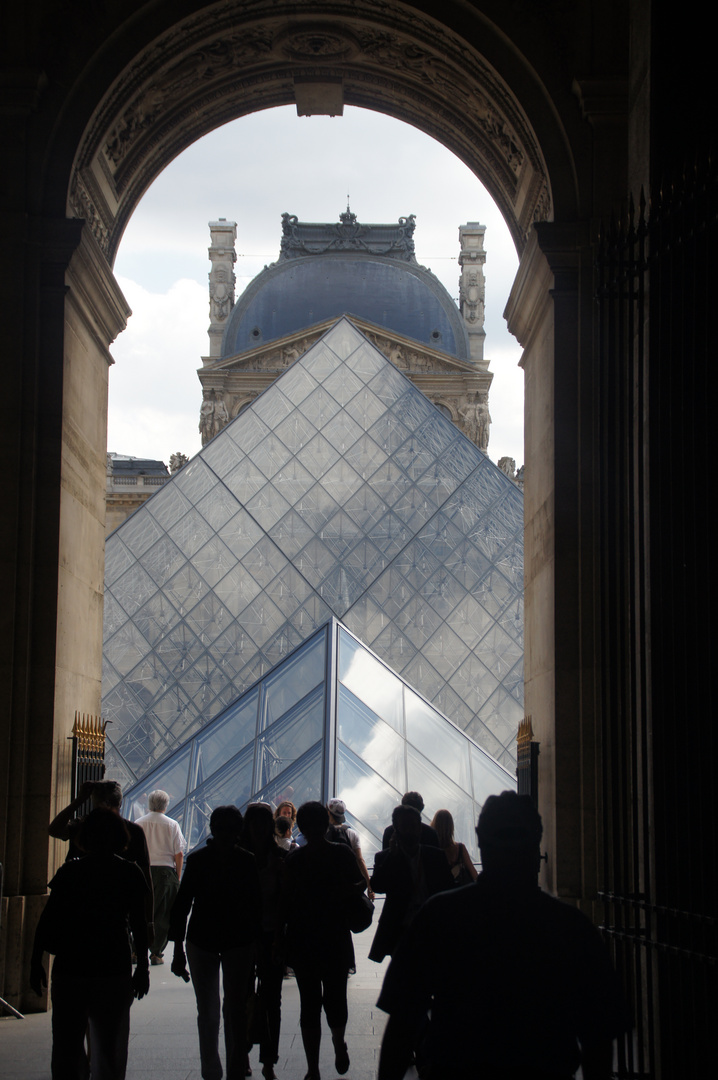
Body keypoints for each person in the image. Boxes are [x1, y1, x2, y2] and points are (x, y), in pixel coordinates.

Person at [377, 792, 628, 1080]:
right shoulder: (572, 927)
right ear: (536, 843)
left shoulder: (439, 917)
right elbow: (598, 1038)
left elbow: (402, 1024)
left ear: (480, 840)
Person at [30, 808, 150, 1080]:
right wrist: (142, 968)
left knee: (66, 1047)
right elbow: (139, 927)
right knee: (110, 1048)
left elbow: (47, 919)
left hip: (71, 965)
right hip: (113, 964)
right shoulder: (129, 873)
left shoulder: (70, 872)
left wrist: (35, 961)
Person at [170, 805, 262, 1080]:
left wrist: (177, 950)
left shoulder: (198, 860)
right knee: (234, 1006)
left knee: (207, 1010)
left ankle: (211, 1069)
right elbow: (255, 906)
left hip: (202, 939)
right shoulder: (246, 860)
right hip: (238, 940)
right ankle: (235, 1065)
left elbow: (182, 905)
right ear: (238, 831)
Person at [284, 801, 365, 1080]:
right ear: (326, 823)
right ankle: (338, 1042)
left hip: (304, 940)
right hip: (335, 937)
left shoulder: (294, 859)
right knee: (336, 997)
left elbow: (285, 904)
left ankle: (313, 1068)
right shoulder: (341, 853)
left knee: (309, 1004)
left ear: (301, 827)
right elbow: (360, 884)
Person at [49, 779, 154, 937]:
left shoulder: (80, 831)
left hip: (79, 923)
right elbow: (146, 882)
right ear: (120, 803)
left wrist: (78, 801)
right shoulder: (135, 836)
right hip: (116, 926)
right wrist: (149, 922)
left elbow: (54, 829)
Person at [369, 804, 454, 963]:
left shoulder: (436, 856)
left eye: (413, 826)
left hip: (429, 926)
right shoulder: (386, 857)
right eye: (406, 826)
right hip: (402, 927)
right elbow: (378, 885)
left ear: (419, 828)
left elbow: (447, 887)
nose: (410, 831)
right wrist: (392, 857)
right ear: (397, 829)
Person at [243, 803, 288, 1080]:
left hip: (250, 936)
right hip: (266, 935)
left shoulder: (240, 859)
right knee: (270, 1000)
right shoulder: (278, 859)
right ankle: (266, 1061)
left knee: (245, 998)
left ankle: (246, 1054)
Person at [136, 789, 186, 965]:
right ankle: (156, 953)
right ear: (166, 805)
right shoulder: (172, 825)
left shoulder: (139, 823)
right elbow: (178, 854)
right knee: (162, 914)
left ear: (149, 803)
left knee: (141, 911)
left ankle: (136, 950)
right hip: (165, 873)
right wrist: (177, 876)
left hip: (142, 870)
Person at [326, 798, 375, 900]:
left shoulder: (323, 833)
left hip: (330, 884)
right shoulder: (351, 833)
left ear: (329, 813)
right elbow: (360, 860)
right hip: (349, 884)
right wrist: (369, 885)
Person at [430, 808, 477, 886]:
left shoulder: (431, 851)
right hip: (460, 893)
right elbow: (474, 874)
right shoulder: (460, 849)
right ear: (451, 827)